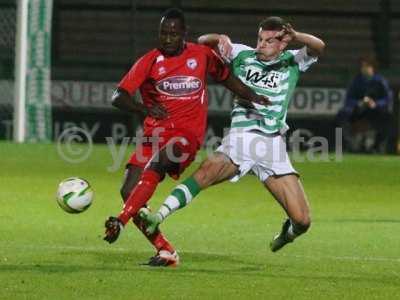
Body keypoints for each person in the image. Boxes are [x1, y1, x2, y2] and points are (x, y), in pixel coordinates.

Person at [140, 16, 325, 263]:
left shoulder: (293, 61)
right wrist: (220, 38)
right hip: (241, 137)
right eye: (260, 38)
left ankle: (287, 234)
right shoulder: (241, 53)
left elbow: (319, 46)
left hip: (272, 145)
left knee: (302, 221)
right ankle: (158, 217)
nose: (262, 45)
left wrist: (297, 36)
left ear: (283, 43)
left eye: (270, 41)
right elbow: (202, 42)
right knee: (205, 173)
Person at [103, 8, 269, 267]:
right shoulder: (149, 61)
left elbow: (228, 79)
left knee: (157, 164)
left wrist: (254, 96)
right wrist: (143, 108)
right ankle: (165, 251)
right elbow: (118, 96)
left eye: (172, 33)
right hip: (153, 134)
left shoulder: (201, 55)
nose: (167, 39)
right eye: (163, 34)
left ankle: (120, 221)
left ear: (183, 33)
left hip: (186, 136)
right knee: (128, 190)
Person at [337, 56, 392, 152]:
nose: (364, 69)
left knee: (387, 118)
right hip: (359, 109)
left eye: (367, 66)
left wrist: (376, 104)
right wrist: (359, 103)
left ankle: (377, 146)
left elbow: (387, 99)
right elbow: (348, 99)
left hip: (375, 110)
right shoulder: (356, 81)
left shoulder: (380, 81)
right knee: (342, 115)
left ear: (372, 68)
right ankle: (348, 145)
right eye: (362, 67)